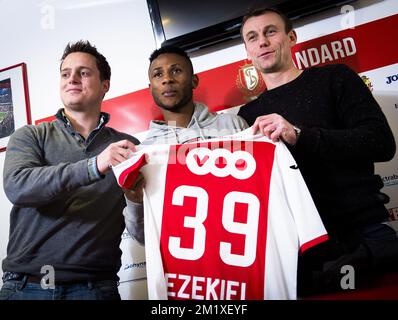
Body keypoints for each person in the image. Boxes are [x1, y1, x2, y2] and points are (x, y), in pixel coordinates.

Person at [237, 7, 398, 296]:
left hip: (363, 237)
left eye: (270, 31)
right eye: (252, 37)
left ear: (291, 37)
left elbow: (381, 142)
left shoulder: (335, 78)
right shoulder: (248, 115)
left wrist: (300, 135)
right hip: (298, 254)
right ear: (247, 50)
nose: (262, 41)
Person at [0, 40, 139, 300]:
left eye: (83, 72)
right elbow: (18, 186)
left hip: (97, 289)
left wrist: (137, 200)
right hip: (26, 288)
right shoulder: (29, 136)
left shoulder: (130, 148)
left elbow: (142, 232)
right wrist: (95, 165)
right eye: (65, 73)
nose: (72, 78)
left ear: (105, 85)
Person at [122, 45, 248, 244]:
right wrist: (135, 202)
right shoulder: (145, 152)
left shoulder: (233, 126)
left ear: (194, 80)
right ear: (150, 89)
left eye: (176, 70)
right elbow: (143, 238)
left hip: (240, 249)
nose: (167, 79)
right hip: (191, 265)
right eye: (158, 74)